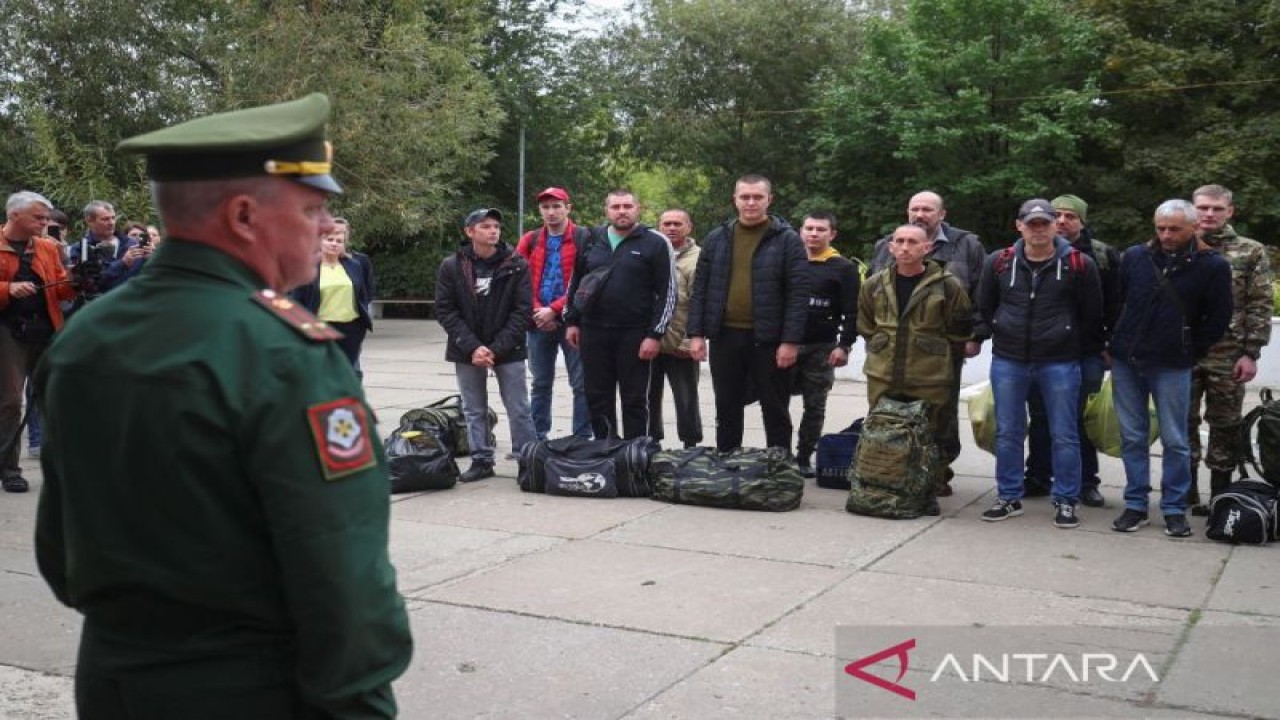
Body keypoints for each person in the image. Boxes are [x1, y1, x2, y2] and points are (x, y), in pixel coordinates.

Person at [34, 94, 413, 717]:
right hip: (250, 691)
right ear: (243, 215)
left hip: (114, 681)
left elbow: (59, 551)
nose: (325, 229)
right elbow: (342, 575)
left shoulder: (88, 336)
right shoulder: (284, 354)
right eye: (313, 208)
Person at [971, 199, 1103, 528]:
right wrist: (992, 331)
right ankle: (1008, 496)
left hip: (1059, 362)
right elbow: (984, 306)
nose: (1039, 229)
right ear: (1020, 226)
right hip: (1009, 360)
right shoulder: (999, 262)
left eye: (1045, 223)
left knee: (1065, 433)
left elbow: (1092, 314)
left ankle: (1066, 500)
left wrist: (1069, 341)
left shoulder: (1079, 263)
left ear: (1055, 226)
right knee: (1008, 433)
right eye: (1032, 223)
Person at [1108, 199, 1232, 537]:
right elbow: (1117, 301)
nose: (1166, 234)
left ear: (1193, 227)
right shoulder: (1135, 256)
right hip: (1127, 361)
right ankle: (1135, 505)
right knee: (1132, 438)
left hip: (1173, 363)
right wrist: (1114, 341)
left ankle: (1174, 508)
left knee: (1176, 440)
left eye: (1174, 229)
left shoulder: (1212, 265)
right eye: (1160, 228)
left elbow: (1219, 315)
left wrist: (1191, 350)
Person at [869, 191, 985, 490]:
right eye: (915, 209)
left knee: (938, 417)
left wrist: (975, 336)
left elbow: (981, 294)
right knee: (886, 416)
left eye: (927, 209)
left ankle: (936, 476)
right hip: (890, 354)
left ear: (941, 215)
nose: (920, 214)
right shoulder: (886, 244)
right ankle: (890, 473)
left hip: (941, 352)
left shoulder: (967, 245)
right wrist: (880, 340)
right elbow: (868, 308)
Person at [687, 174, 809, 452]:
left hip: (769, 339)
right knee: (727, 406)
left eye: (757, 197)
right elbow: (701, 290)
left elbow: (798, 294)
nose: (751, 203)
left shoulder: (788, 240)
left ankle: (778, 469)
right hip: (725, 337)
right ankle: (728, 466)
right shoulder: (717, 238)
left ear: (769, 199)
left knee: (775, 408)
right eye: (745, 197)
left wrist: (790, 341)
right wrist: (695, 334)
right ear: (735, 200)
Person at [858, 224, 971, 511]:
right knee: (882, 432)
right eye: (900, 241)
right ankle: (883, 487)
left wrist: (930, 349)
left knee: (932, 434)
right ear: (891, 247)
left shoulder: (947, 285)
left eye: (912, 242)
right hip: (883, 372)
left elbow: (958, 327)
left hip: (928, 375)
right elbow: (867, 324)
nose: (905, 247)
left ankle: (928, 490)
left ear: (927, 248)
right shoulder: (874, 284)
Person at [1022, 194, 1121, 506]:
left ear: (1082, 221)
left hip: (1086, 351)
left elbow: (1118, 304)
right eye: (1058, 215)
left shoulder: (1103, 256)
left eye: (1070, 216)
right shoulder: (1025, 251)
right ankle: (1037, 475)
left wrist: (1110, 343)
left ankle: (1085, 481)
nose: (1063, 221)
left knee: (1079, 417)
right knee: (1039, 415)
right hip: (1041, 351)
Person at [1187, 184, 1273, 513]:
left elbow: (1260, 304)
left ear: (1229, 212)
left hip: (1229, 353)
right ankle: (1186, 492)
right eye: (1203, 208)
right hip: (1184, 351)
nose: (1209, 214)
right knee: (1182, 423)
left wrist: (1251, 352)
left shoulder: (1250, 251)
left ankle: (1221, 495)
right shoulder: (1179, 244)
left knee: (1225, 424)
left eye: (1216, 209)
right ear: (1193, 209)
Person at [436, 207, 538, 481]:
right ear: (469, 232)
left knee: (519, 407)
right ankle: (481, 460)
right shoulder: (452, 265)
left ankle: (527, 460)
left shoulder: (517, 264)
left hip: (508, 347)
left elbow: (522, 310)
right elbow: (446, 310)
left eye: (496, 226)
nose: (493, 230)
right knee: (473, 408)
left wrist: (496, 348)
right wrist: (473, 347)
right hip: (466, 348)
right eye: (485, 226)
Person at [564, 189, 675, 440]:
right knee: (597, 396)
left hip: (635, 333)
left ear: (638, 209)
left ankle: (633, 455)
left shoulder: (655, 242)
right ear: (607, 211)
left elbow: (668, 292)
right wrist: (571, 321)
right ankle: (605, 450)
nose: (622, 211)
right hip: (593, 331)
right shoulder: (590, 239)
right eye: (616, 207)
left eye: (627, 206)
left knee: (634, 398)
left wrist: (655, 334)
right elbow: (575, 283)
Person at [1, 191, 76, 492]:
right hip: (7, 331)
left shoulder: (47, 247)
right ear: (14, 215)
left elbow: (60, 291)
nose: (46, 223)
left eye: (47, 217)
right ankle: (9, 470)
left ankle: (58, 466)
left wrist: (76, 281)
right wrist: (7, 288)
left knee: (53, 397)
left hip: (46, 329)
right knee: (9, 402)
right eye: (39, 217)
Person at [514, 187, 591, 439]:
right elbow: (518, 278)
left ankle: (581, 439)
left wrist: (555, 310)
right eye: (546, 207)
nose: (551, 212)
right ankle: (537, 438)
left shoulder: (584, 238)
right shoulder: (531, 239)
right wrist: (538, 311)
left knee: (581, 385)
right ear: (540, 211)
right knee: (540, 384)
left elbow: (587, 282)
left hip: (574, 323)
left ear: (568, 208)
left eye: (557, 206)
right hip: (538, 323)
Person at [793, 211, 859, 477]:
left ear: (832, 234)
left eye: (820, 229)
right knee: (773, 403)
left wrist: (844, 346)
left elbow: (852, 312)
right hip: (785, 345)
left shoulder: (843, 267)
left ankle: (803, 457)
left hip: (821, 347)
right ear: (801, 231)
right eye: (809, 228)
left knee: (815, 405)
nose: (813, 234)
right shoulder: (790, 262)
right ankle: (778, 453)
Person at [646, 208, 703, 448]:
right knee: (648, 396)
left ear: (689, 227)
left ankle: (690, 444)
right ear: (659, 226)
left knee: (686, 397)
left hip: (682, 342)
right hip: (650, 341)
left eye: (677, 224)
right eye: (666, 223)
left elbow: (701, 302)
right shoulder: (649, 252)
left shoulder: (700, 257)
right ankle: (651, 440)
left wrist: (690, 341)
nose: (671, 228)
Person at [291, 217, 375, 373]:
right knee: (320, 372)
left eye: (339, 241)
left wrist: (361, 324)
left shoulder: (355, 265)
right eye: (330, 239)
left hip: (351, 329)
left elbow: (364, 294)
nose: (334, 243)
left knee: (349, 372)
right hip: (320, 327)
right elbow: (296, 301)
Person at [69, 200, 134, 266]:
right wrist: (122, 263)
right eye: (105, 219)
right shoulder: (81, 249)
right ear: (89, 221)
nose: (111, 223)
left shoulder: (131, 244)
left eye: (113, 218)